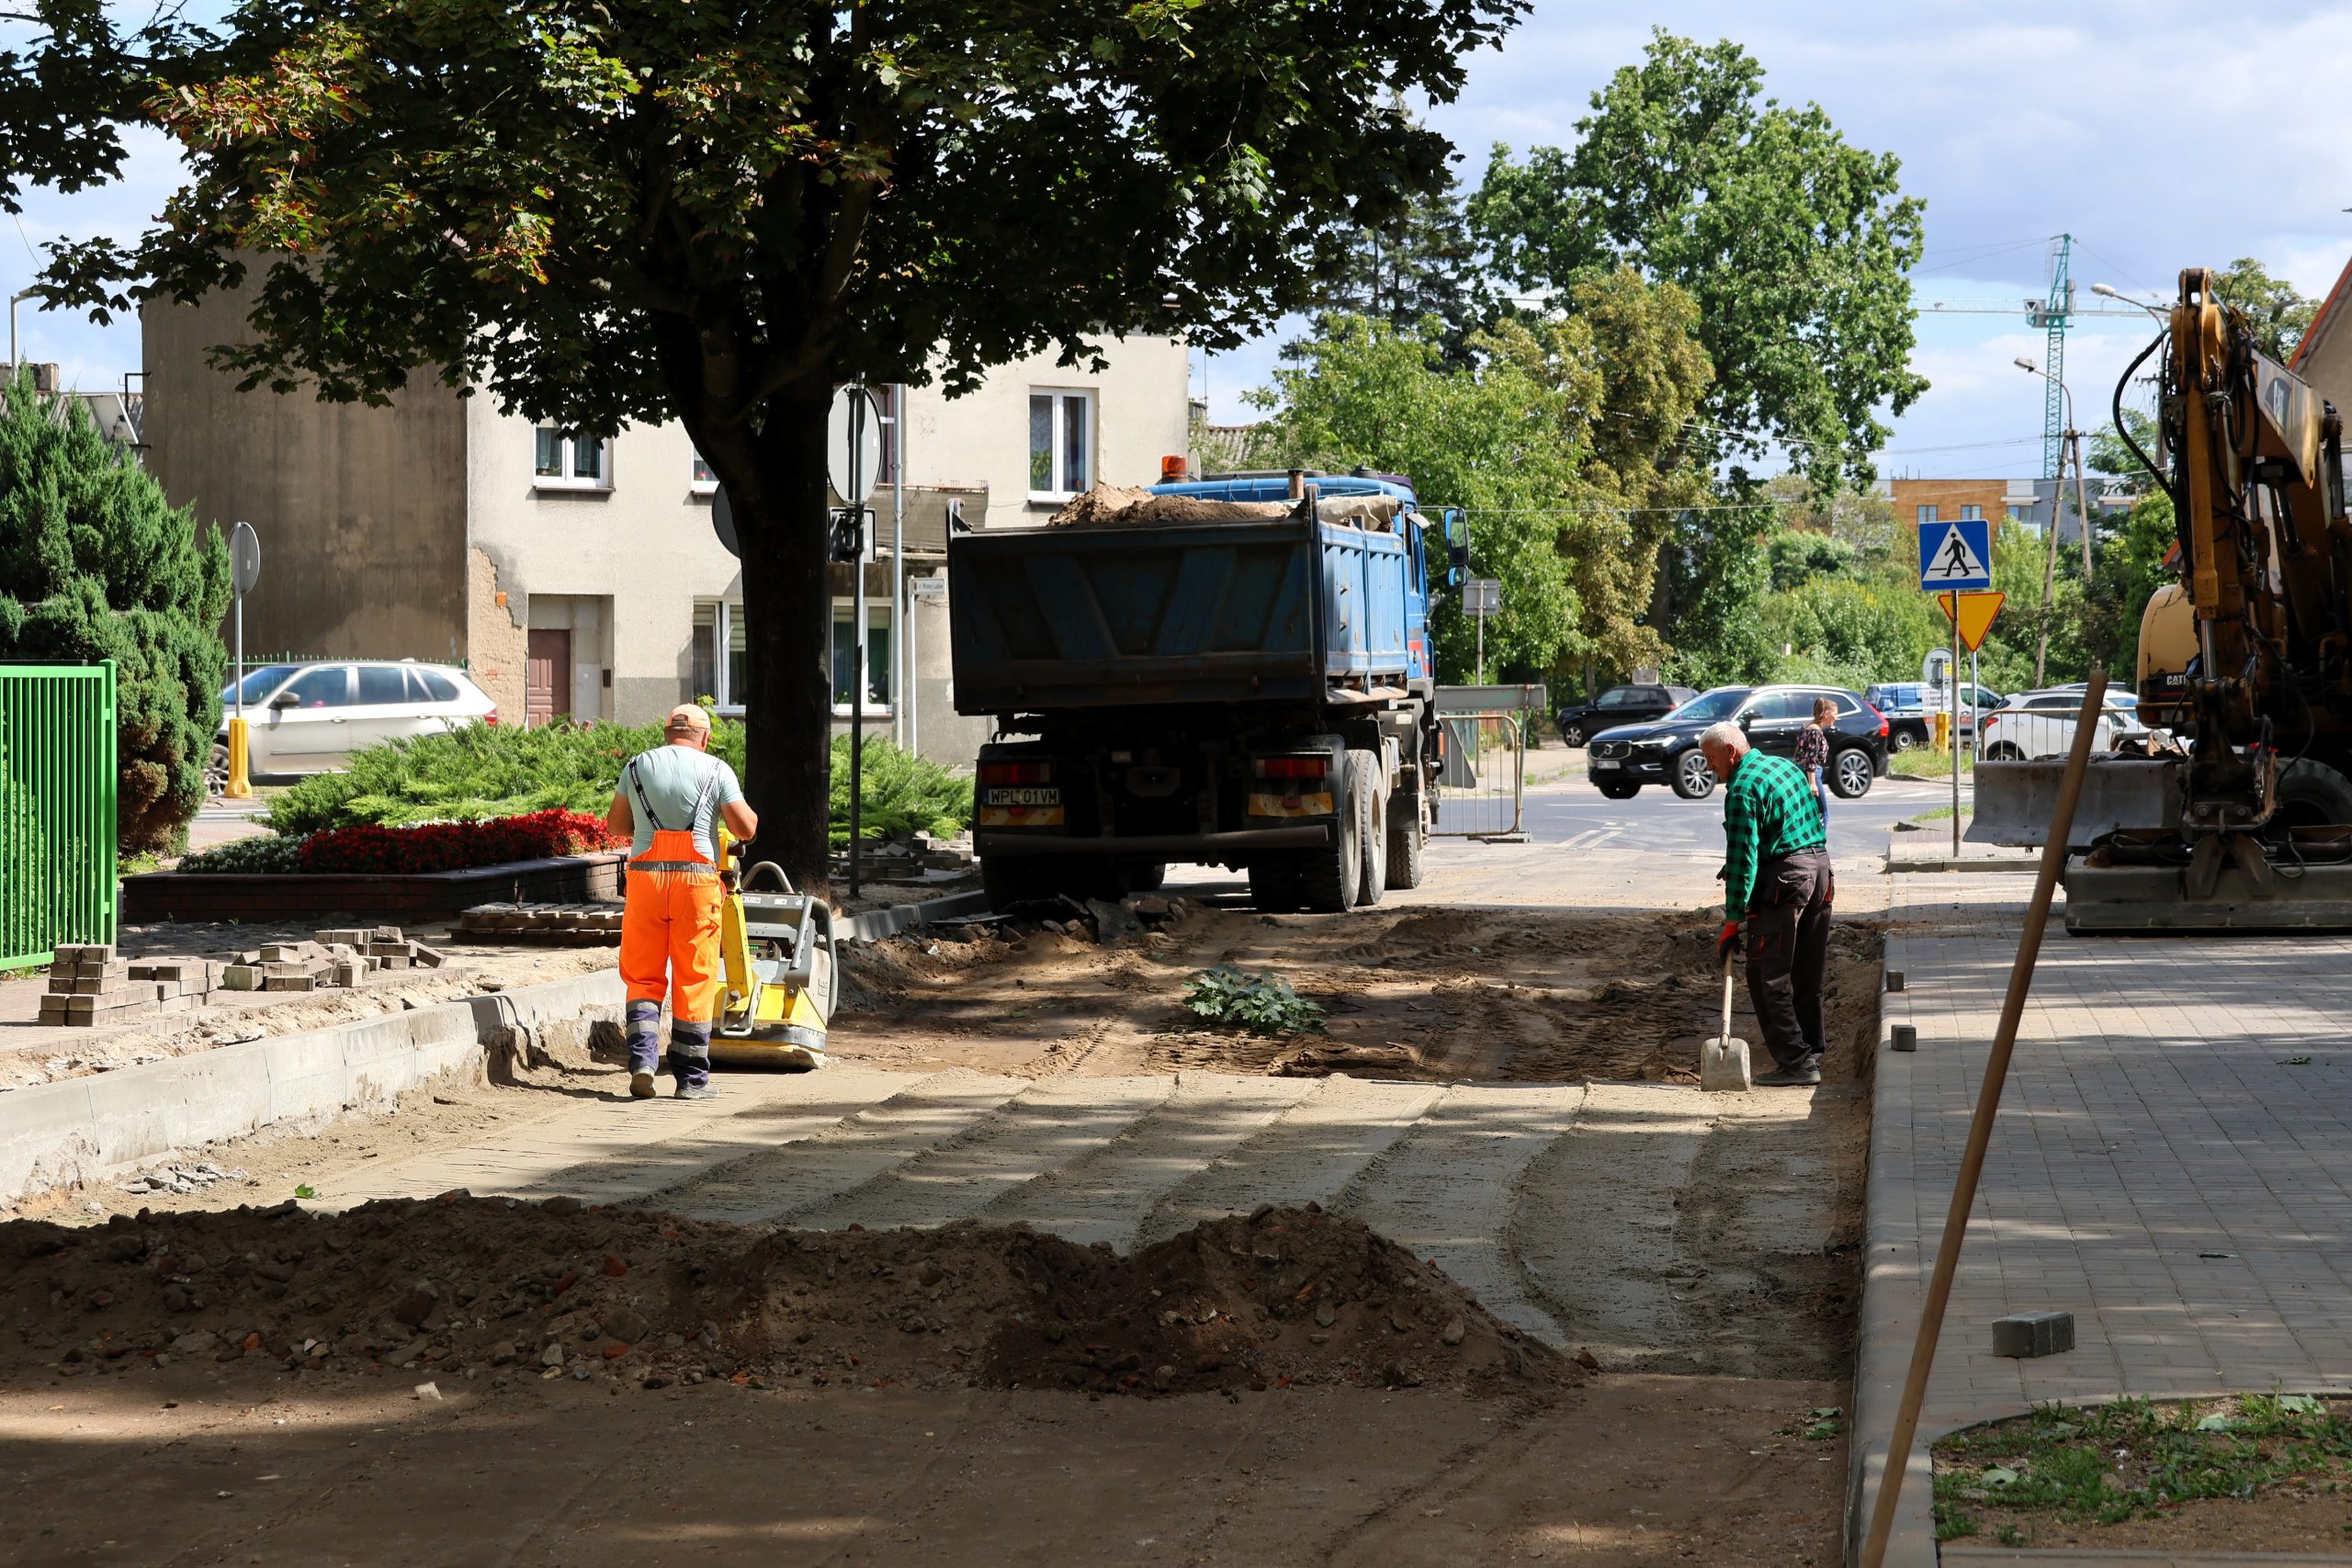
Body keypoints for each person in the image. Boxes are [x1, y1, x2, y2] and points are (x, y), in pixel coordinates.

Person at [605, 704, 757, 1100]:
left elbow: (617, 825)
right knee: (695, 977)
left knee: (642, 974)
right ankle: (691, 1080)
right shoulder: (716, 769)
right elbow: (745, 827)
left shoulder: (636, 767)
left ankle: (642, 1062)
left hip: (646, 882)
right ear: (704, 738)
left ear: (666, 731)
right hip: (696, 885)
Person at [1701, 719, 1831, 1087]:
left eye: (1711, 759)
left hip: (1784, 882)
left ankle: (1797, 1064)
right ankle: (1812, 1050)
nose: (1709, 768)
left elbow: (1743, 859)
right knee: (1807, 971)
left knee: (1765, 974)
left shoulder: (1741, 787)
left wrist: (1731, 922)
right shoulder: (1783, 766)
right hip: (1820, 872)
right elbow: (1784, 826)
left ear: (1731, 751)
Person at [1793, 696, 1837, 829]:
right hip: (1811, 774)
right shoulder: (1815, 732)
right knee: (1823, 812)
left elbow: (1799, 752)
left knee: (1805, 812)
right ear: (1827, 714)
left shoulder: (1806, 726)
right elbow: (1811, 758)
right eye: (1835, 713)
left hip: (1800, 772)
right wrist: (1812, 783)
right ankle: (1820, 844)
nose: (1837, 717)